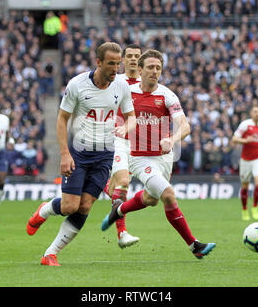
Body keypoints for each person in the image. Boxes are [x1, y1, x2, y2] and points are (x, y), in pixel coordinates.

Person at [26, 42, 136, 266]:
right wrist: (65, 154)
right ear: (98, 62)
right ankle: (45, 210)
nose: (116, 68)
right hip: (79, 153)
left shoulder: (121, 86)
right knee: (69, 206)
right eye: (111, 64)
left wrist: (126, 127)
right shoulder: (77, 85)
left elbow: (131, 116)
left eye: (118, 63)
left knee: (85, 206)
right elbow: (62, 119)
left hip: (105, 154)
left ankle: (51, 253)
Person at [100, 50, 216, 260]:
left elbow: (185, 126)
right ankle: (194, 245)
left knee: (151, 199)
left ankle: (118, 210)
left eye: (158, 68)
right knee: (168, 195)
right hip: (139, 157)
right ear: (141, 69)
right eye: (151, 67)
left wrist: (172, 140)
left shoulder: (167, 95)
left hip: (163, 158)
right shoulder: (127, 92)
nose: (155, 72)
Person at [103, 44, 142, 248]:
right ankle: (122, 234)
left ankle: (99, 183)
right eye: (130, 56)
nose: (134, 59)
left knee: (116, 190)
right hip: (116, 138)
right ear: (123, 60)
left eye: (137, 56)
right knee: (124, 183)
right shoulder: (115, 81)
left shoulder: (147, 84)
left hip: (138, 144)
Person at [231, 105, 258, 221]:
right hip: (246, 160)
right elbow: (234, 139)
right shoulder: (245, 124)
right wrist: (245, 140)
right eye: (255, 112)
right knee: (245, 187)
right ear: (251, 114)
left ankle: (255, 206)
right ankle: (244, 209)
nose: (257, 114)